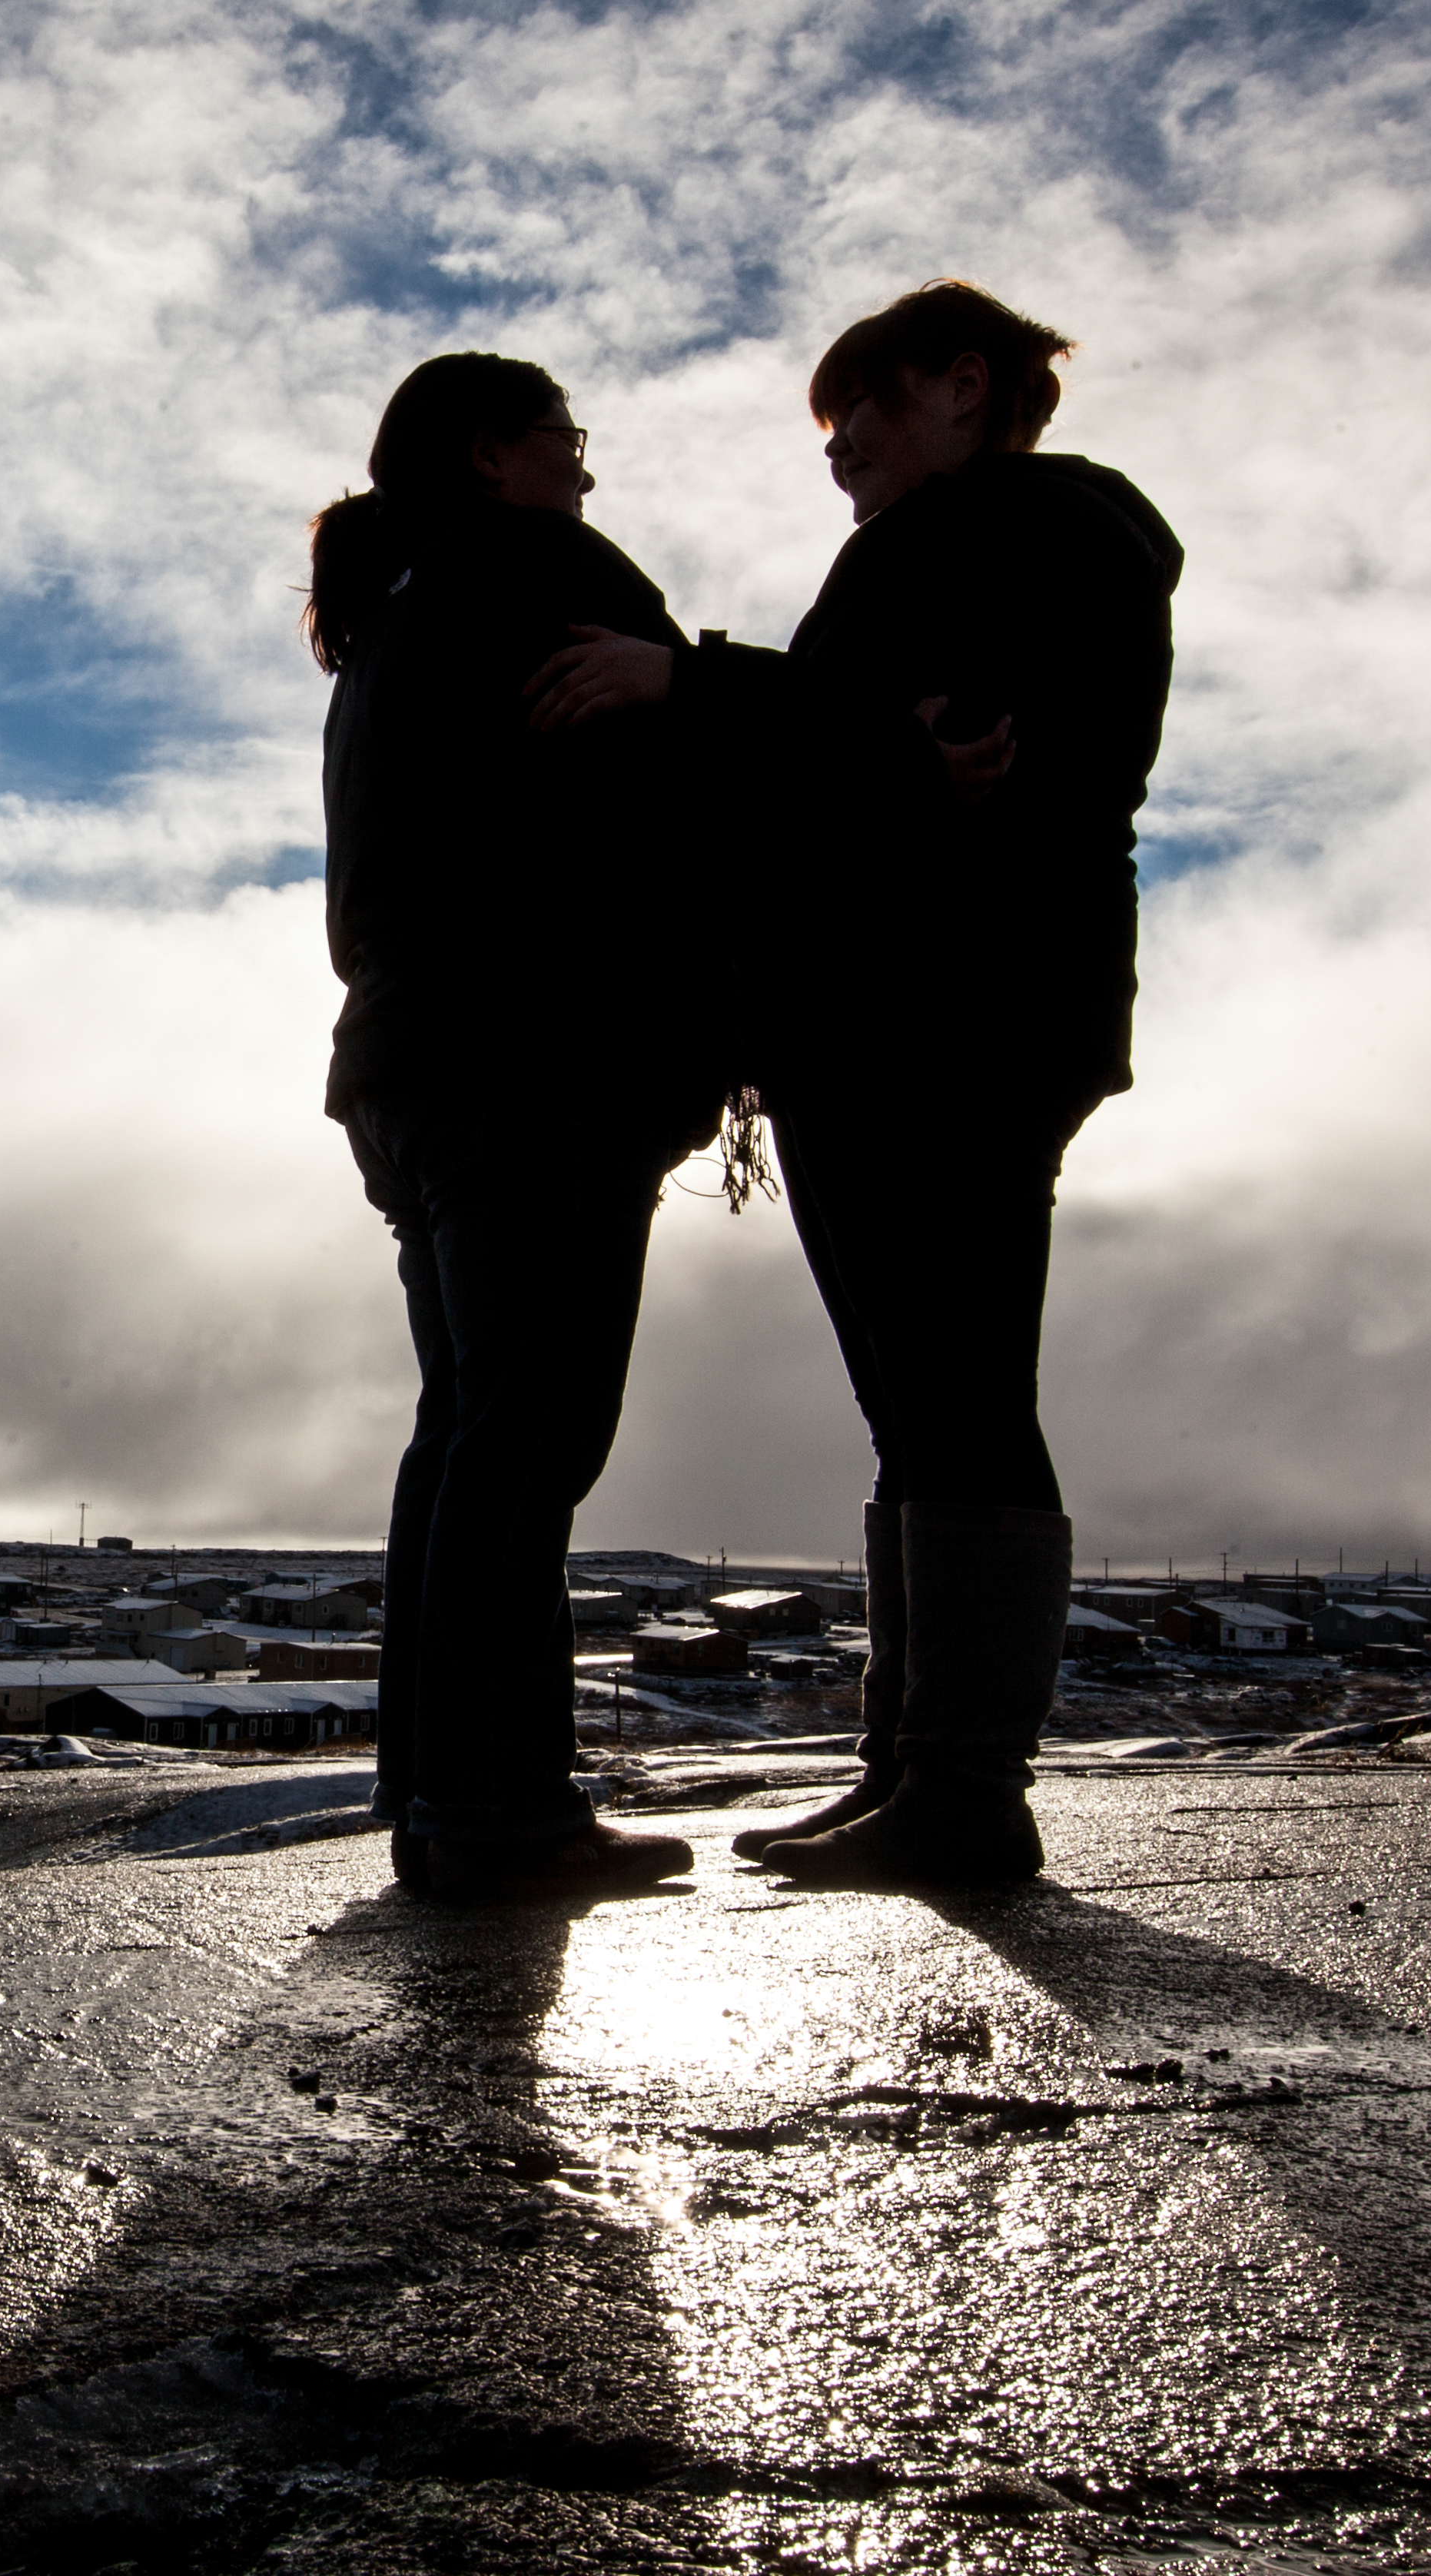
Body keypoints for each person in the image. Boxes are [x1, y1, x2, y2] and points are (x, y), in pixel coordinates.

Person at [528, 281, 1184, 1890]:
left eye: (861, 417)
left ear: (966, 386)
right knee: (919, 1410)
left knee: (955, 1397)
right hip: (889, 1022)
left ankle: (966, 1791)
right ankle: (913, 1768)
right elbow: (868, 767)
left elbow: (931, 740)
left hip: (953, 1016)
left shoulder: (1031, 533)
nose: (841, 457)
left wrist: (691, 685)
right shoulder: (963, 543)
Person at [306, 352, 712, 1900]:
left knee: (468, 1425)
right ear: (492, 455)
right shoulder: (539, 569)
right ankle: (497, 1811)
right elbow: (687, 787)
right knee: (533, 1431)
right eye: (568, 441)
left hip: (410, 1076)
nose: (587, 473)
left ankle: (438, 1787)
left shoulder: (391, 624)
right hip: (539, 1064)